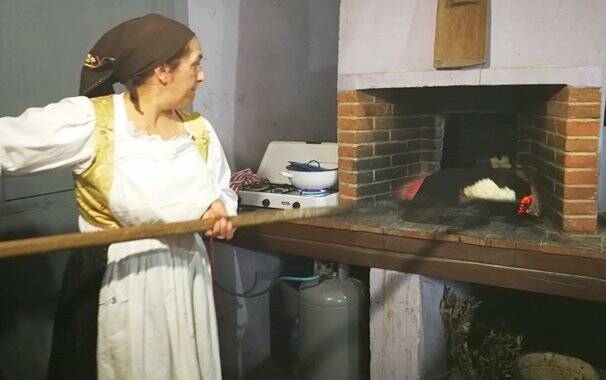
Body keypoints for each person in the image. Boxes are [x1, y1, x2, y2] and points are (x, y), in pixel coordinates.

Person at [0, 13, 236, 379]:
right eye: (195, 64)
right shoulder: (94, 122)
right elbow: (6, 145)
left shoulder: (198, 129)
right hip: (122, 280)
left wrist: (219, 207)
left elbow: (221, 186)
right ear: (162, 71)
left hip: (186, 274)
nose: (201, 75)